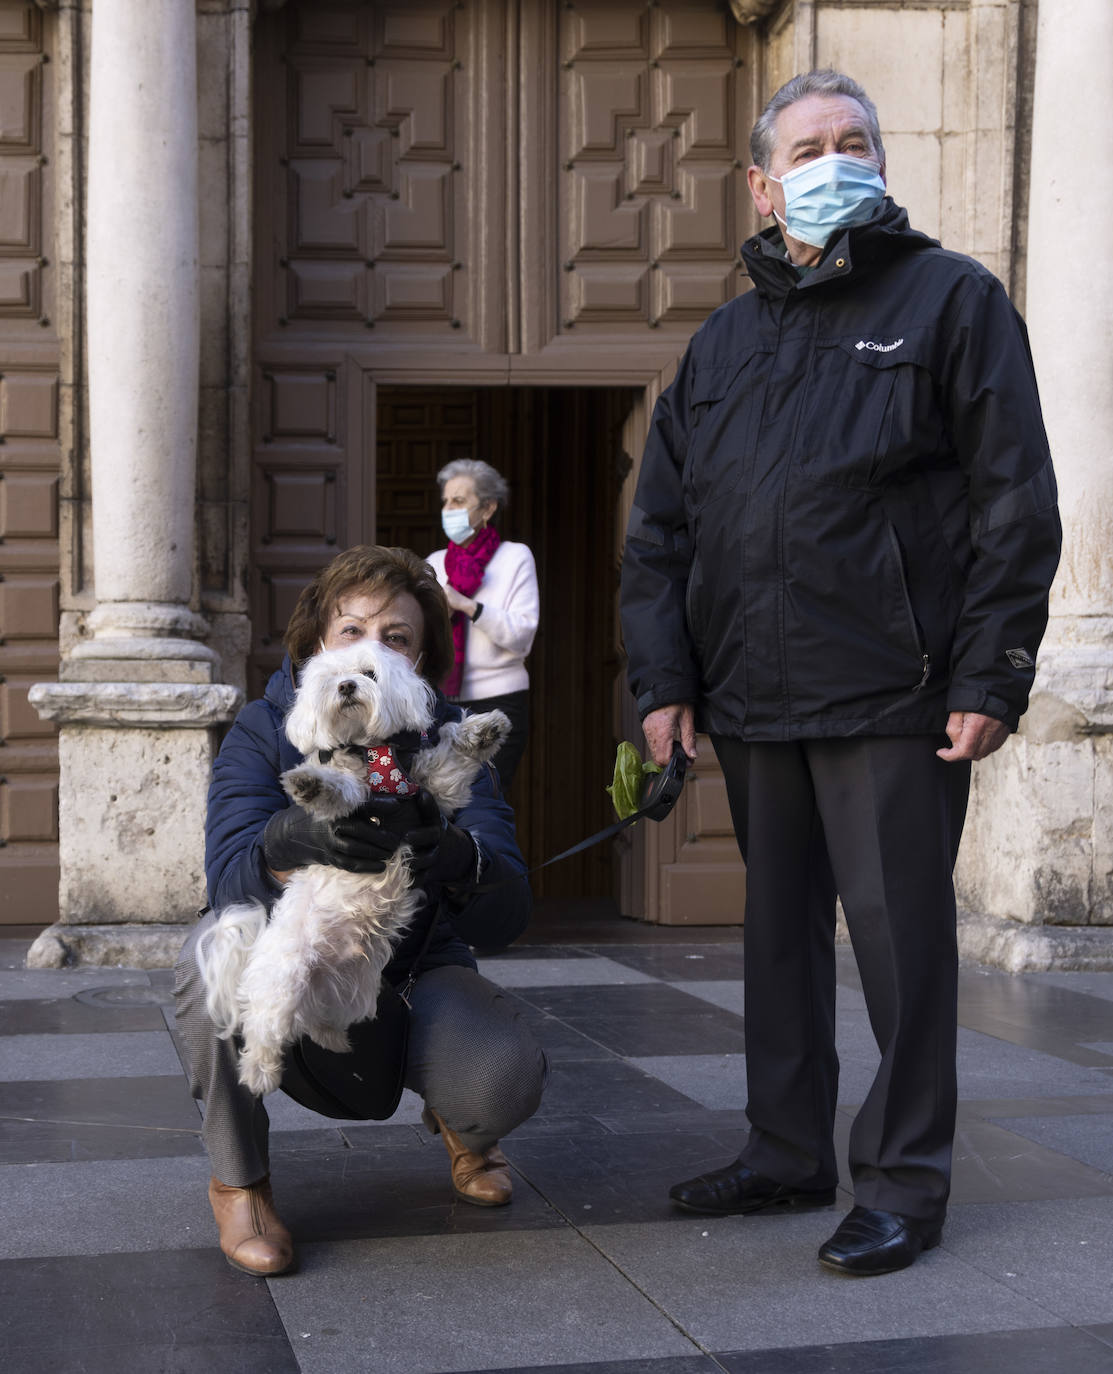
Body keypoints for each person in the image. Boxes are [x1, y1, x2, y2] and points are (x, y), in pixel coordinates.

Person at [619, 70, 1061, 1278]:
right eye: (809, 147)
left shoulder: (952, 301)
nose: (835, 160)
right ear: (762, 187)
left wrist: (992, 673)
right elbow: (660, 530)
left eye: (854, 140)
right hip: (754, 696)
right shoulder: (720, 342)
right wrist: (662, 683)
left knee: (902, 948)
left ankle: (905, 1183)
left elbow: (1015, 505)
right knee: (777, 942)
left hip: (896, 694)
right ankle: (783, 1150)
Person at [174, 545, 548, 1276]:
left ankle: (460, 1120)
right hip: (306, 943)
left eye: (397, 637)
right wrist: (288, 840)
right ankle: (240, 1181)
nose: (371, 647)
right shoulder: (263, 727)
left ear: (419, 662)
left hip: (414, 969)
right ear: (320, 640)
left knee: (504, 1076)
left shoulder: (450, 734)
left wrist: (456, 857)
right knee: (210, 963)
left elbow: (507, 912)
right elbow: (228, 878)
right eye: (352, 629)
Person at [426, 459, 539, 792]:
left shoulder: (515, 557)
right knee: (441, 805)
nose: (449, 509)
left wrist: (468, 606)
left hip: (500, 704)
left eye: (459, 501)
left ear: (488, 508)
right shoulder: (433, 564)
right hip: (442, 704)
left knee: (482, 801)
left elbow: (521, 636)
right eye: (446, 501)